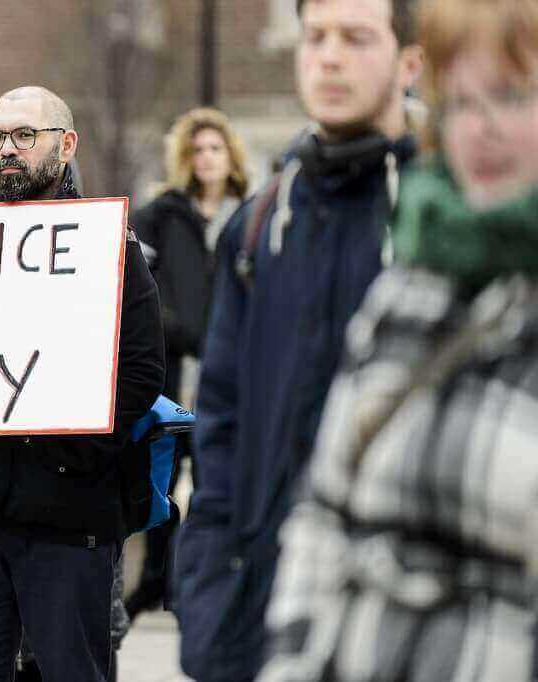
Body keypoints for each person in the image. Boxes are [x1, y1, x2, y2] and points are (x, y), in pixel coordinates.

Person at [259, 0, 538, 679]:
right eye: (462, 103)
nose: (484, 127)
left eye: (511, 95)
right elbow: (323, 519)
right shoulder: (410, 287)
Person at [173, 1, 424, 680]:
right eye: (315, 37)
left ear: (409, 62)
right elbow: (219, 428)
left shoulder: (443, 220)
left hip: (406, 620)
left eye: (356, 38)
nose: (330, 56)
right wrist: (209, 602)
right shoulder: (258, 228)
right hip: (264, 609)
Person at [0, 86, 165, 682]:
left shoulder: (111, 247)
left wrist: (66, 446)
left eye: (25, 136)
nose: (8, 149)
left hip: (69, 517)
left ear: (66, 144)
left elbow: (140, 372)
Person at [127, 106, 249, 618]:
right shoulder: (162, 215)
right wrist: (173, 327)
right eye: (197, 149)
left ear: (231, 155)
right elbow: (141, 285)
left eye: (215, 148)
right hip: (175, 369)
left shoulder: (252, 213)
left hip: (230, 370)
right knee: (162, 478)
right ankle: (158, 581)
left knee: (217, 479)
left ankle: (201, 581)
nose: (206, 158)